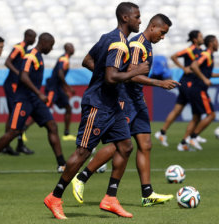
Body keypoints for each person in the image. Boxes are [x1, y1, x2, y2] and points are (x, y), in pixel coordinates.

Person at [44, 2, 150, 219]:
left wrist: (106, 73)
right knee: (83, 152)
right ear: (125, 18)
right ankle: (55, 197)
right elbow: (111, 77)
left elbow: (87, 60)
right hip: (98, 104)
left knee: (125, 146)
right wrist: (135, 71)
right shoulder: (119, 44)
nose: (140, 20)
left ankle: (110, 198)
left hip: (112, 105)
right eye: (137, 17)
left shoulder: (107, 37)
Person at [72, 14, 178, 208]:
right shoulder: (137, 44)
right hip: (125, 100)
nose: (162, 37)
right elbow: (131, 75)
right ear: (153, 26)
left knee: (145, 144)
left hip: (137, 100)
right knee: (118, 144)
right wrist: (159, 83)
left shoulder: (146, 44)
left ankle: (147, 194)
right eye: (162, 33)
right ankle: (81, 177)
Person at [0, 33, 66, 172]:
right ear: (44, 43)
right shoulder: (30, 55)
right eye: (50, 46)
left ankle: (62, 164)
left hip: (35, 100)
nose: (51, 49)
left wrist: (37, 95)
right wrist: (39, 93)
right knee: (14, 131)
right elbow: (23, 76)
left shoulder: (37, 56)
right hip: (24, 99)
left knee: (52, 126)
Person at [154, 30, 206, 150]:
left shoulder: (201, 51)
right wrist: (183, 68)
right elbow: (173, 56)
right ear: (195, 39)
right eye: (200, 36)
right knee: (197, 114)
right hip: (188, 84)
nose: (202, 38)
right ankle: (187, 140)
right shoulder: (190, 50)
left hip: (188, 83)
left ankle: (162, 133)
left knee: (177, 110)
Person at [3, 29, 36, 155]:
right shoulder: (19, 48)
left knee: (15, 114)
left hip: (17, 86)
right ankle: (13, 145)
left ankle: (15, 144)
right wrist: (19, 74)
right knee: (15, 115)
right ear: (27, 36)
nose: (34, 40)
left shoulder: (26, 50)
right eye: (33, 37)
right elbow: (7, 62)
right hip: (12, 85)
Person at [188, 35, 219, 150]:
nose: (218, 44)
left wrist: (210, 76)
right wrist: (204, 79)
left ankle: (185, 141)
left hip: (196, 88)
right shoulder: (206, 54)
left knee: (196, 117)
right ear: (211, 43)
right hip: (199, 89)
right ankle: (193, 137)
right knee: (211, 115)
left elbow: (207, 73)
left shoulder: (209, 55)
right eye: (216, 41)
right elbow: (193, 66)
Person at [45, 43, 76, 141]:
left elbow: (60, 76)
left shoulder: (65, 59)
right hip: (53, 88)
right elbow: (60, 74)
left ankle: (66, 134)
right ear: (68, 49)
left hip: (58, 88)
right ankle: (22, 130)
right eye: (71, 47)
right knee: (43, 109)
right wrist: (68, 88)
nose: (73, 48)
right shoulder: (64, 59)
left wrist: (64, 90)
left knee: (68, 108)